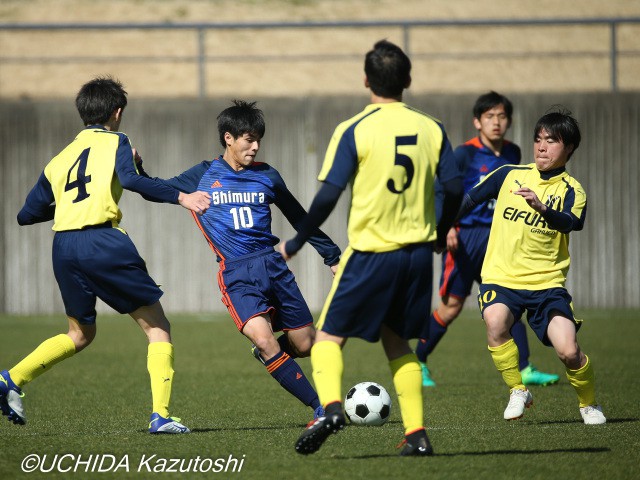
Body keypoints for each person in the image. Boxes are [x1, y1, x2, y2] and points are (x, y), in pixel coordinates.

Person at [280, 39, 463, 456]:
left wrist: (295, 240)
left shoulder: (354, 129)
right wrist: (440, 229)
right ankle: (416, 435)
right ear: (408, 80)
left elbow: (328, 195)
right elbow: (453, 187)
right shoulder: (431, 127)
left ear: (366, 80)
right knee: (398, 343)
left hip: (370, 253)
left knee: (326, 339)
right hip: (417, 256)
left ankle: (329, 408)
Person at [0, 76, 211, 433]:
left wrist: (69, 205)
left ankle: (11, 378)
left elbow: (26, 214)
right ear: (117, 112)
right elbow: (130, 182)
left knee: (80, 334)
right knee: (157, 326)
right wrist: (182, 197)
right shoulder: (118, 140)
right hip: (102, 242)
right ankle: (160, 416)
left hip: (64, 247)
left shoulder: (59, 158)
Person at [141, 100, 341, 422]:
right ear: (228, 138)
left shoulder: (268, 176)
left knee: (305, 344)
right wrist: (137, 170)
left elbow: (298, 217)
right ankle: (321, 408)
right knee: (264, 340)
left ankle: (272, 356)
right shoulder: (202, 175)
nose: (255, 146)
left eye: (259, 139)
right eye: (249, 139)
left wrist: (331, 256)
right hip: (236, 273)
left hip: (273, 266)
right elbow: (156, 189)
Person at [458, 108, 605, 424]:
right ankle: (517, 390)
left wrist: (541, 207)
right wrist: (440, 224)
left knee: (568, 351)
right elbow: (468, 200)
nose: (541, 147)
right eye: (538, 139)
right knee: (495, 322)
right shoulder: (509, 174)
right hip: (502, 277)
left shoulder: (571, 190)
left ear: (569, 148)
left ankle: (589, 404)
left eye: (551, 141)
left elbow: (571, 222)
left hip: (546, 283)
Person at [416, 91, 560, 388]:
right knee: (451, 307)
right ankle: (418, 361)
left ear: (509, 121)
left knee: (510, 300)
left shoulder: (514, 152)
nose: (496, 122)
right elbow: (442, 191)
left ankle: (525, 367)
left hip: (498, 239)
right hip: (465, 238)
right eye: (489, 117)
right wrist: (448, 227)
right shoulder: (464, 154)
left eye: (501, 116)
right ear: (477, 122)